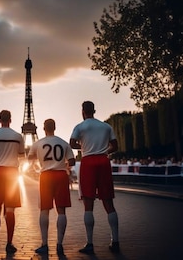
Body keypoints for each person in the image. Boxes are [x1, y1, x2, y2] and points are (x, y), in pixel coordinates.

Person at [69, 101, 121, 254]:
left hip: (88, 161)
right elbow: (115, 146)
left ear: (83, 112)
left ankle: (90, 243)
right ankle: (115, 240)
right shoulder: (106, 126)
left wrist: (83, 146)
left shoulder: (80, 127)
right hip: (103, 160)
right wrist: (105, 150)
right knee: (108, 202)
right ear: (95, 111)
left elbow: (72, 144)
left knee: (88, 203)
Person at [27, 119, 76, 256]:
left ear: (43, 128)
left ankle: (44, 244)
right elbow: (71, 161)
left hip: (46, 175)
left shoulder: (38, 143)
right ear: (55, 128)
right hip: (60, 175)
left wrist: (38, 168)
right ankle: (59, 244)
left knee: (44, 209)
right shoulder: (63, 142)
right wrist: (64, 167)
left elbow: (30, 159)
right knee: (61, 210)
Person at [0, 110, 25, 254]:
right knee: (10, 209)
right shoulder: (17, 136)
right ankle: (9, 242)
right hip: (12, 173)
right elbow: (21, 155)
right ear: (11, 119)